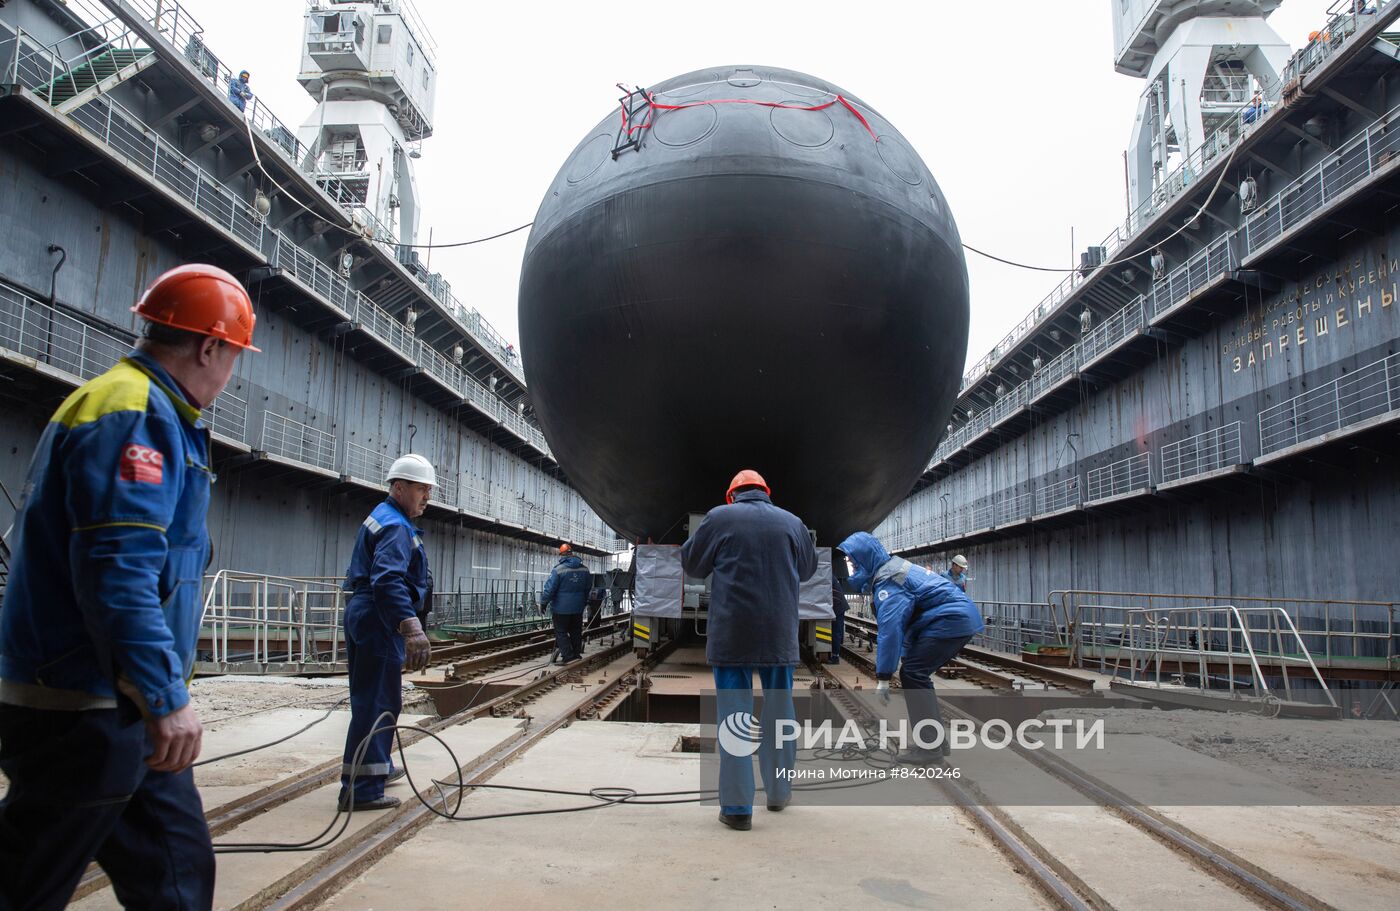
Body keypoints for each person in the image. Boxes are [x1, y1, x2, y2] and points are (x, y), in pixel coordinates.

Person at [0, 264, 258, 909]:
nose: (230, 374)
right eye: (233, 355)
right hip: (84, 704)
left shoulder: (148, 409)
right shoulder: (133, 414)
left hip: (123, 707)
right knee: (26, 880)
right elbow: (119, 571)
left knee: (175, 872)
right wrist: (165, 696)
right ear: (209, 346)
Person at [682, 469, 817, 831]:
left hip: (732, 633)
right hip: (778, 634)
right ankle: (778, 793)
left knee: (734, 718)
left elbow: (693, 565)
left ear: (732, 496)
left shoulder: (719, 517)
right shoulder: (792, 523)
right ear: (766, 493)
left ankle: (739, 808)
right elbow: (806, 570)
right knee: (780, 711)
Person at [338, 454, 435, 812]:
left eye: (429, 489)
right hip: (378, 617)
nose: (426, 496)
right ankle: (361, 789)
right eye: (421, 488)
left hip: (367, 613)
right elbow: (388, 580)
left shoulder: (384, 517)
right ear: (399, 487)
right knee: (378, 702)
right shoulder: (396, 527)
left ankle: (375, 766)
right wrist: (410, 626)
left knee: (373, 699)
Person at [839, 531, 984, 765]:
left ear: (865, 558)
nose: (851, 565)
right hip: (954, 617)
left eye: (853, 560)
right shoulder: (893, 569)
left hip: (951, 619)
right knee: (915, 672)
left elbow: (891, 629)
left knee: (913, 674)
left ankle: (930, 748)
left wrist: (884, 676)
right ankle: (935, 742)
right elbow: (910, 625)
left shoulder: (889, 581)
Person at [540, 544, 589, 663]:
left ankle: (567, 656)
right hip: (578, 608)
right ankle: (576, 654)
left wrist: (543, 603)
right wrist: (583, 602)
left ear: (562, 555)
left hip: (561, 609)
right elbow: (588, 588)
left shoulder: (558, 570)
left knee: (561, 631)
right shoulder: (584, 569)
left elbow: (550, 589)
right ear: (572, 553)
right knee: (576, 630)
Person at [827, 574, 848, 665]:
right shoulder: (830, 575)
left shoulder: (827, 576)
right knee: (837, 631)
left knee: (836, 632)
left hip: (837, 607)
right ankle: (835, 653)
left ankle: (835, 657)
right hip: (839, 606)